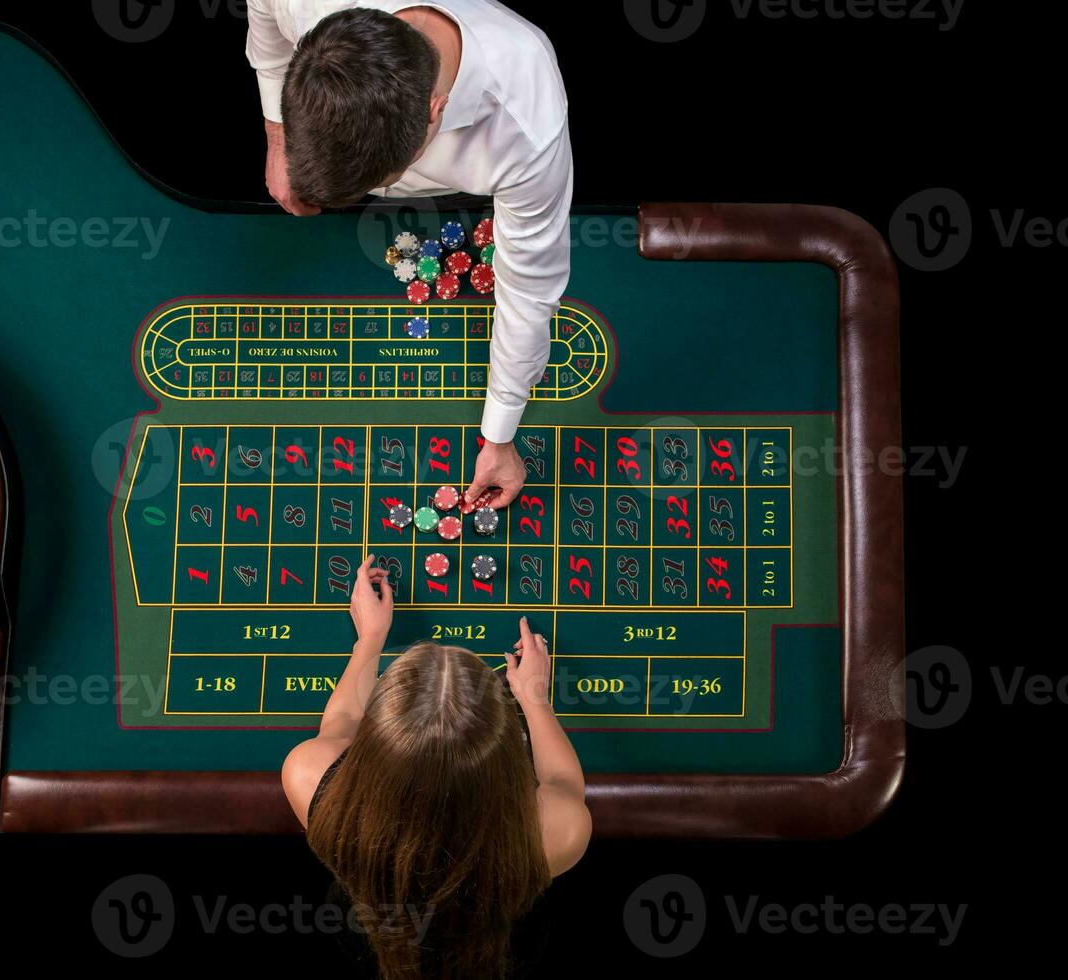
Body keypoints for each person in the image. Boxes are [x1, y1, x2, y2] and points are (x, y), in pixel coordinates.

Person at [247, 0, 573, 509]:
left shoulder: (527, 118)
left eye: (382, 181)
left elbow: (529, 290)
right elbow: (262, 10)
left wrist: (500, 434)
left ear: (434, 111)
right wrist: (277, 132)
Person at [281, 557, 591, 979]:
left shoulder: (306, 774)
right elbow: (562, 781)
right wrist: (535, 699)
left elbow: (341, 724)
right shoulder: (557, 833)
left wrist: (369, 641)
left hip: (364, 943)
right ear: (507, 755)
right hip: (506, 951)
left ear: (371, 746)